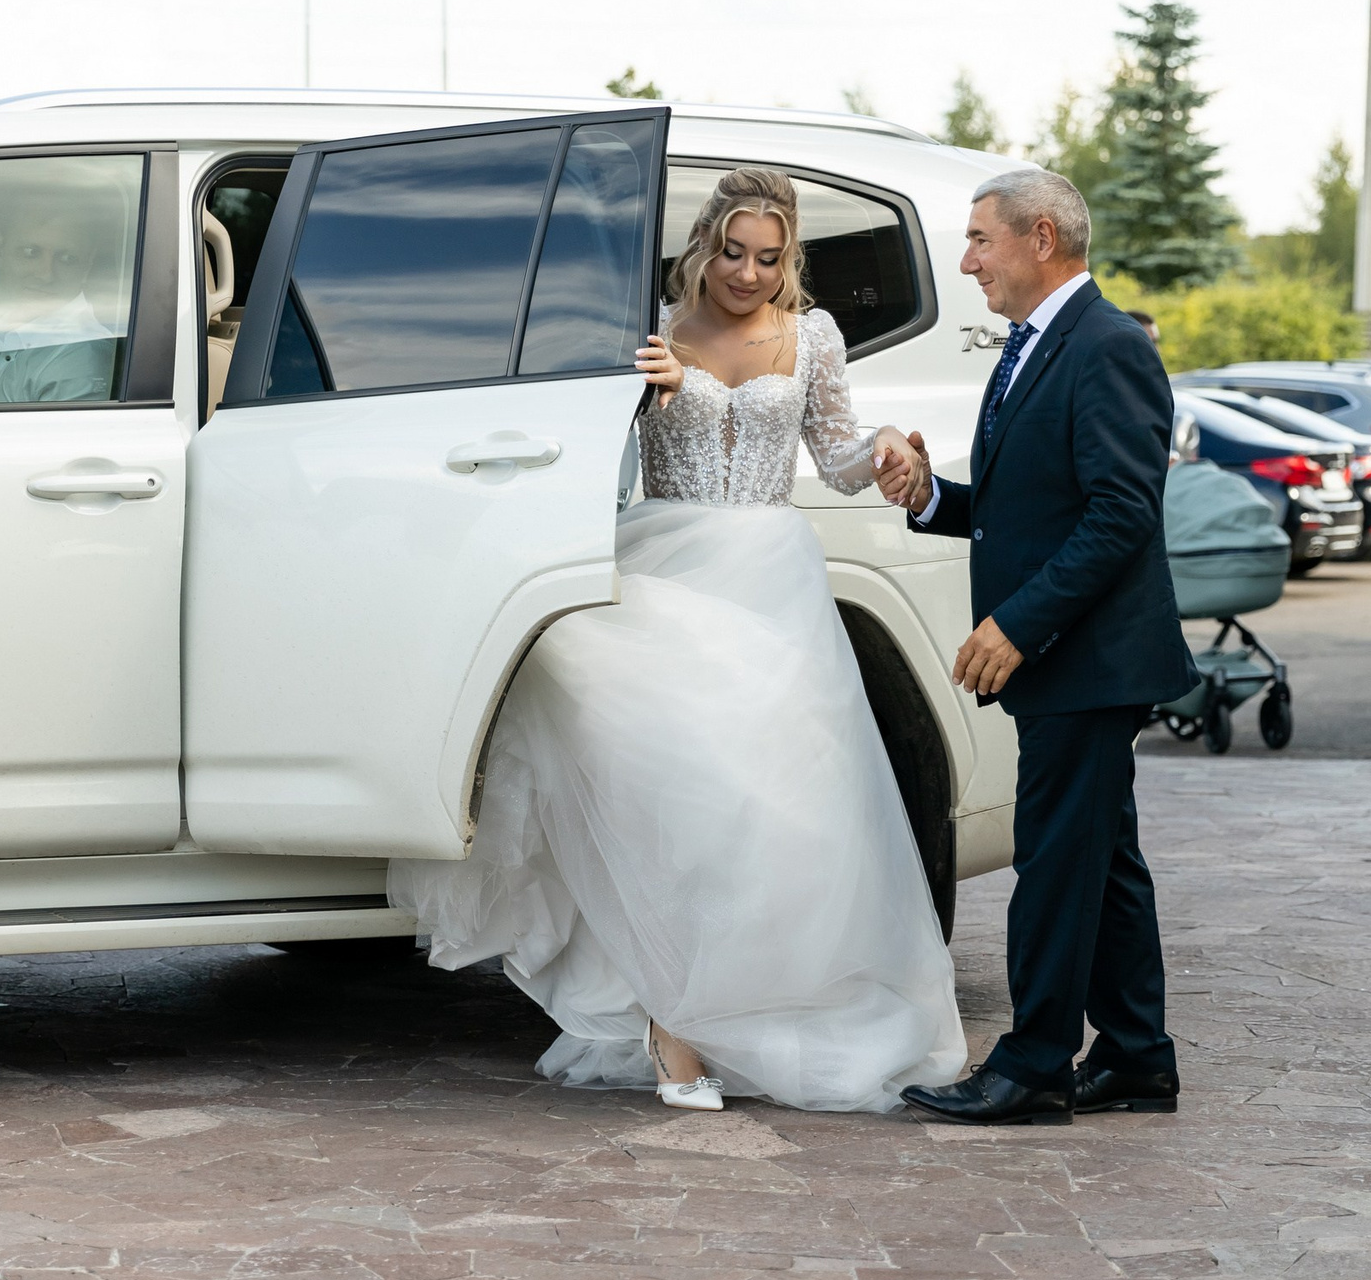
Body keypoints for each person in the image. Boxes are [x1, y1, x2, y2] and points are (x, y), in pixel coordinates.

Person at [388, 166, 966, 1114]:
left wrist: (892, 449)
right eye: (733, 252)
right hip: (667, 564)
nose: (747, 273)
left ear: (791, 259)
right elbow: (574, 447)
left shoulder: (812, 336)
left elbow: (839, 456)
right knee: (671, 798)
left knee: (764, 816)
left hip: (773, 582)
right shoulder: (650, 328)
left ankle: (751, 1007)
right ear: (704, 244)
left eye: (769, 258)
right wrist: (631, 396)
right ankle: (672, 1020)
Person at [875, 170, 1199, 1127]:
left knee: (1055, 859)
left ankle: (1034, 1062)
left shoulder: (1106, 347)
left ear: (1041, 237)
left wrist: (1017, 624)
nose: (968, 260)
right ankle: (1138, 1055)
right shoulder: (1036, 344)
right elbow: (1030, 509)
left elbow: (1120, 516)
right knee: (1104, 859)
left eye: (981, 240)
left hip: (1086, 659)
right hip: (1073, 656)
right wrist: (932, 495)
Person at [0, 198, 121, 404]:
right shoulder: (1, 336)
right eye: (31, 253)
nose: (46, 275)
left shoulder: (80, 356)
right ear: (0, 250)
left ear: (87, 265)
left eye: (67, 258)